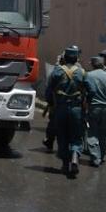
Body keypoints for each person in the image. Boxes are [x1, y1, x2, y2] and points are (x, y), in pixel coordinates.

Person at [45, 46, 87, 178]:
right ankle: (75, 157)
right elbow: (90, 91)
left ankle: (64, 164)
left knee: (62, 136)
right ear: (76, 59)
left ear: (64, 58)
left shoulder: (56, 71)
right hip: (76, 110)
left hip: (61, 109)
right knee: (76, 136)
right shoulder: (82, 72)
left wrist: (51, 104)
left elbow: (48, 91)